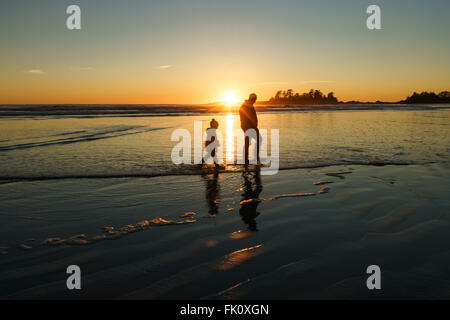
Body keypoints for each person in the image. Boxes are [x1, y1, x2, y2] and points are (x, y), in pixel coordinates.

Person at [239, 93, 260, 164]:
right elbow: (248, 117)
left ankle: (252, 158)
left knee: (250, 142)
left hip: (250, 126)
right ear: (252, 99)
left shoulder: (249, 105)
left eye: (255, 100)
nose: (255, 101)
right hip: (247, 126)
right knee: (249, 142)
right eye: (254, 99)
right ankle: (251, 159)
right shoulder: (246, 106)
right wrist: (253, 126)